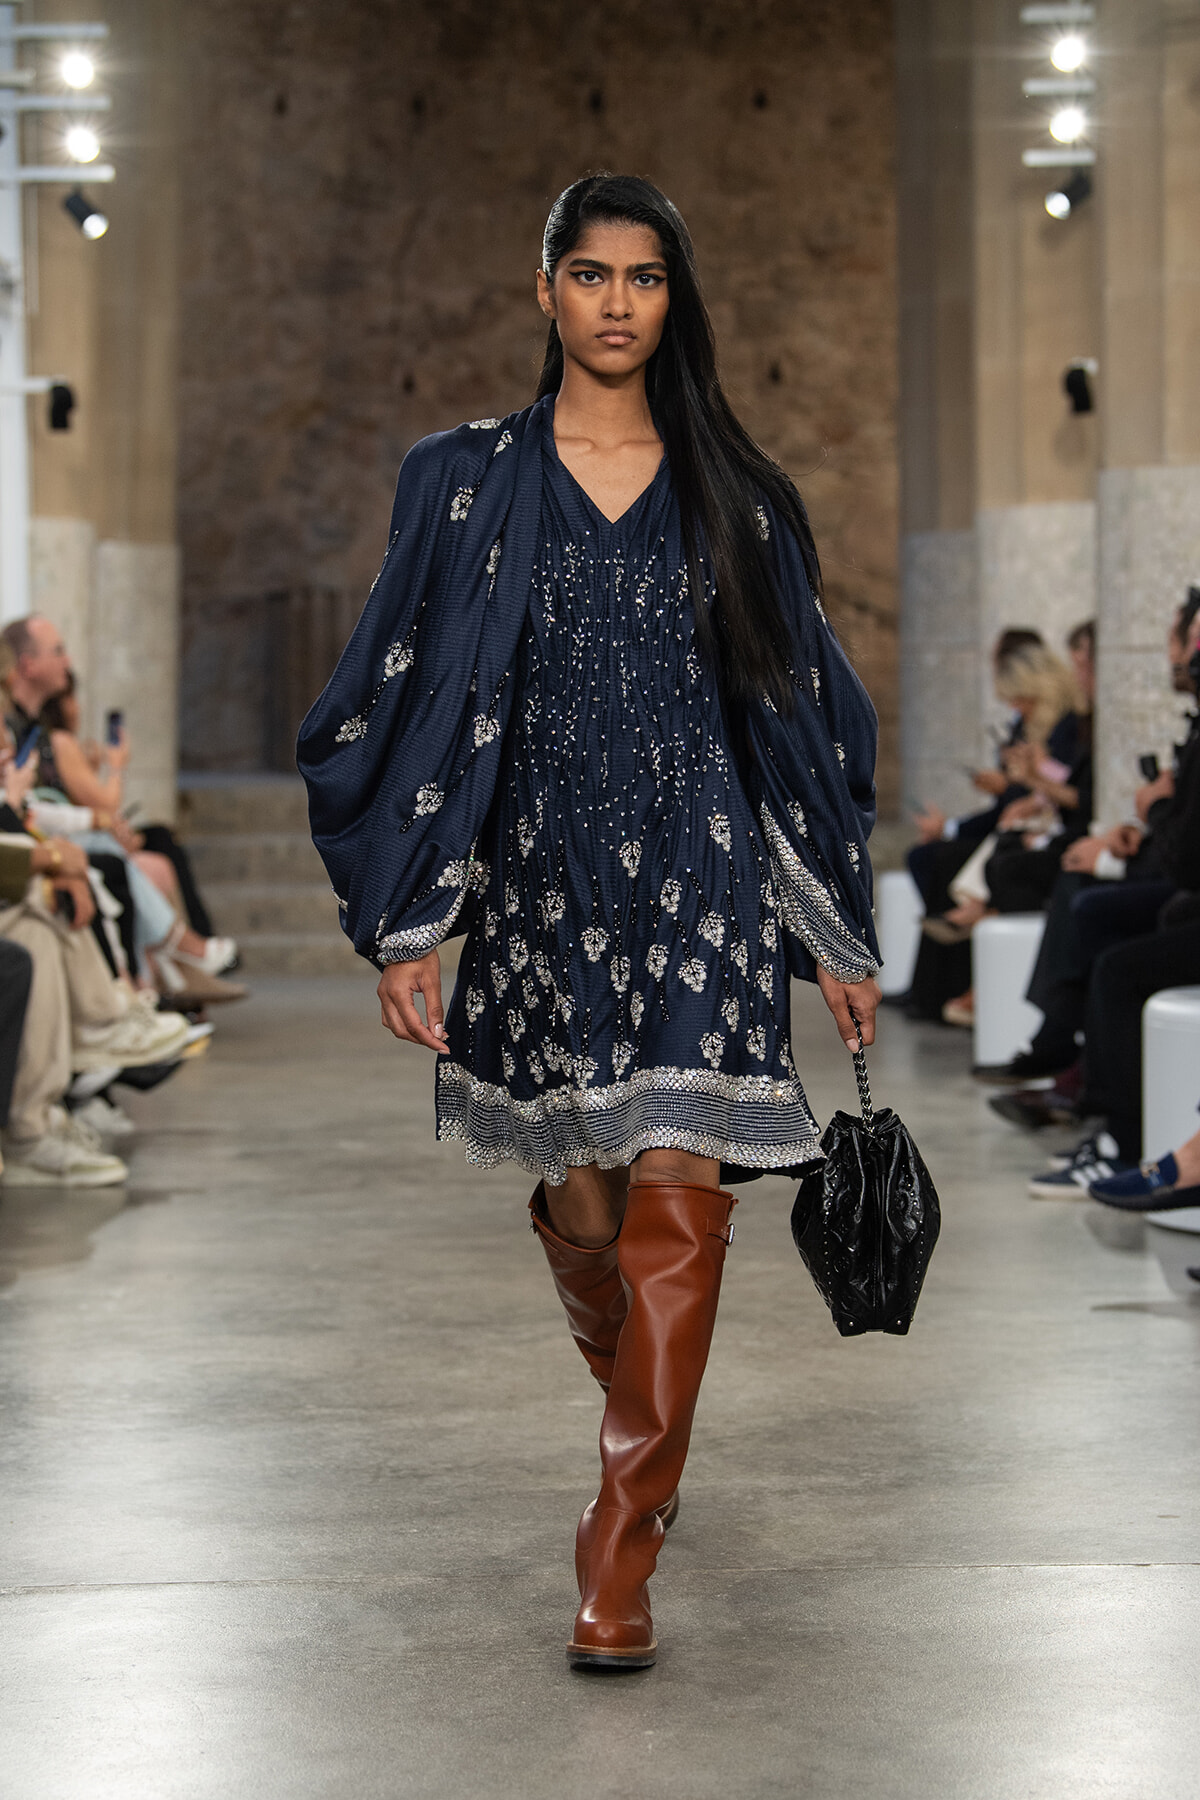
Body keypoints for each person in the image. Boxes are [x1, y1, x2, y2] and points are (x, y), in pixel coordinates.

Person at [299, 174, 881, 1671]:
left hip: (704, 884)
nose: (619, 301)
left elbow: (799, 712)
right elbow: (401, 685)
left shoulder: (738, 496)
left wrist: (831, 931)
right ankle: (639, 1411)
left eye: (646, 276)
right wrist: (413, 918)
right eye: (591, 273)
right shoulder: (463, 479)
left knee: (683, 1203)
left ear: (674, 299)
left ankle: (618, 1551)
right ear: (545, 290)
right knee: (594, 1212)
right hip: (546, 896)